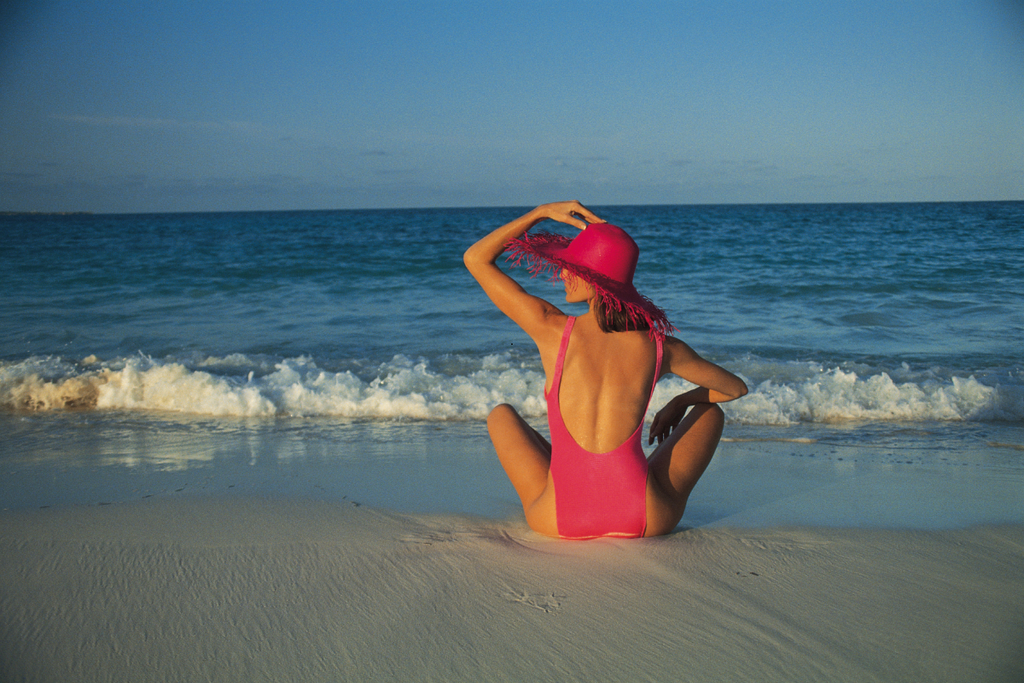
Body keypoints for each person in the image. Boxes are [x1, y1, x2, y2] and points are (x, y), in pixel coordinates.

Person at [464, 201, 747, 538]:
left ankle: (574, 478)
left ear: (594, 281)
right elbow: (735, 389)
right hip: (643, 518)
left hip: (559, 519)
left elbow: (476, 259)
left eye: (572, 268)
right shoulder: (660, 346)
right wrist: (680, 402)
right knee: (710, 411)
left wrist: (539, 214)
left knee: (501, 415)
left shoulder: (551, 329)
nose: (563, 274)